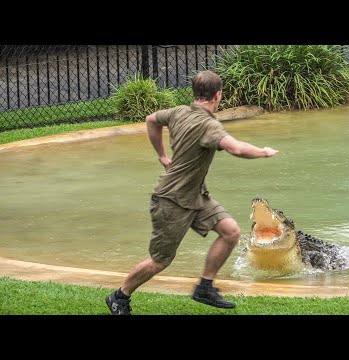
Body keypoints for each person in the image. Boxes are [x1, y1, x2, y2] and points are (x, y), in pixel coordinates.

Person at [105, 70, 279, 315]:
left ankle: (204, 287)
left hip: (196, 196)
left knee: (230, 231)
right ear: (218, 95)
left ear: (195, 93)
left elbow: (151, 119)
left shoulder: (177, 112)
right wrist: (263, 152)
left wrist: (162, 155)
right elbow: (236, 148)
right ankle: (119, 296)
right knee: (160, 260)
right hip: (172, 200)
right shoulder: (209, 125)